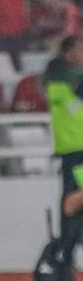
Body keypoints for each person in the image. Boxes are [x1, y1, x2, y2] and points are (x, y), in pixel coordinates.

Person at [44, 35, 83, 265]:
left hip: (77, 151)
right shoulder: (57, 78)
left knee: (72, 207)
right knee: (71, 207)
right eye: (77, 49)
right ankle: (64, 264)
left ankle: (65, 263)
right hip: (75, 152)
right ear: (66, 53)